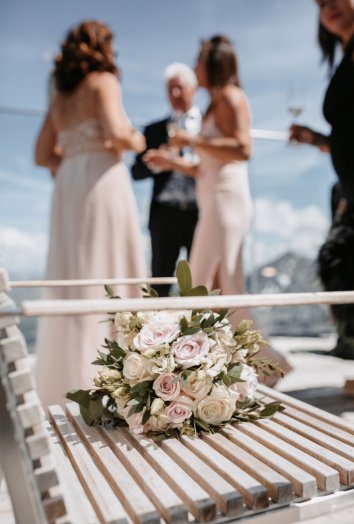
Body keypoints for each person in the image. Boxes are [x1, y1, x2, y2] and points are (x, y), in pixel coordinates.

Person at [34, 21, 147, 407]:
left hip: (70, 186)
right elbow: (118, 133)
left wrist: (69, 168)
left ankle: (68, 384)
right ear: (103, 48)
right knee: (110, 274)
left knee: (75, 278)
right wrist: (138, 138)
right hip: (101, 181)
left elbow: (41, 154)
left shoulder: (61, 98)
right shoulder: (104, 81)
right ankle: (117, 383)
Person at [170, 35, 292, 382]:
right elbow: (204, 164)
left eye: (199, 62)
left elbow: (242, 148)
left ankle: (190, 365)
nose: (195, 69)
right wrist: (173, 162)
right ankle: (262, 363)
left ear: (213, 64)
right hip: (214, 199)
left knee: (198, 281)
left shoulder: (233, 97)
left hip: (228, 200)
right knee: (224, 286)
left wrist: (190, 140)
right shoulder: (213, 105)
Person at [289, 0, 354, 359]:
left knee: (340, 264)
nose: (328, 7)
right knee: (341, 267)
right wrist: (315, 138)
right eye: (319, 3)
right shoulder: (344, 55)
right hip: (350, 189)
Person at [131, 63, 201, 296]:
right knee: (160, 282)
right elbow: (136, 171)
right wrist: (158, 163)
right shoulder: (154, 130)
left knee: (200, 283)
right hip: (164, 215)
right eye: (170, 89)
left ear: (194, 89)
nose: (175, 94)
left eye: (179, 88)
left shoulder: (208, 126)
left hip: (200, 212)